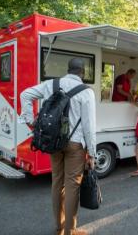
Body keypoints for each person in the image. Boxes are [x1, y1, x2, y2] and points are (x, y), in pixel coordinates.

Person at [19, 58, 96, 235]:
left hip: (53, 142)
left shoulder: (50, 84)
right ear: (82, 72)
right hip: (75, 145)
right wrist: (91, 153)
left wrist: (31, 120)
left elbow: (25, 94)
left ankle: (59, 228)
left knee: (57, 183)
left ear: (68, 69)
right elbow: (89, 127)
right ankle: (70, 231)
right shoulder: (86, 92)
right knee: (72, 186)